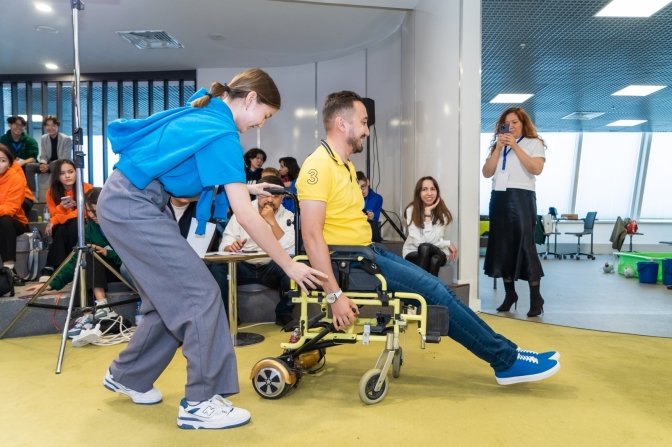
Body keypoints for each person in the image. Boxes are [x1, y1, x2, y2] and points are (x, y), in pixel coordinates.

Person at [96, 68, 325, 430]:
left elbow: (201, 172)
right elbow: (247, 217)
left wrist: (249, 188)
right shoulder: (222, 132)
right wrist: (289, 264)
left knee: (168, 299)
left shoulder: (208, 113)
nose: (260, 124)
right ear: (250, 99)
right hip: (134, 205)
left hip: (131, 200)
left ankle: (129, 375)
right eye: (264, 116)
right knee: (199, 296)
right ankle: (200, 402)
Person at [297, 91, 559, 387]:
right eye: (363, 122)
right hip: (350, 262)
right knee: (435, 293)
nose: (366, 131)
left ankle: (509, 353)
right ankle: (505, 361)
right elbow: (311, 235)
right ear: (342, 123)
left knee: (439, 290)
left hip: (367, 253)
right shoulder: (318, 166)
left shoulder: (343, 165)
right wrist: (333, 296)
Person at [482, 107, 546, 317]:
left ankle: (536, 297)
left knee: (525, 245)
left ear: (523, 123)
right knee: (502, 246)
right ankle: (510, 294)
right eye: (507, 123)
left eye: (515, 122)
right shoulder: (498, 145)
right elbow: (486, 172)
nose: (511, 126)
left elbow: (536, 168)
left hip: (522, 197)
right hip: (499, 197)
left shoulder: (533, 143)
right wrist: (499, 149)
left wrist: (515, 146)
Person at [208, 175, 295, 326]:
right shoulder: (243, 212)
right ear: (257, 194)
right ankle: (228, 319)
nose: (269, 200)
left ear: (282, 198)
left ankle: (284, 314)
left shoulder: (288, 216)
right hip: (244, 265)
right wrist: (230, 247)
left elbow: (290, 248)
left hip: (271, 266)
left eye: (275, 196)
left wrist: (272, 222)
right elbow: (226, 241)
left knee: (292, 268)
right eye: (265, 195)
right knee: (218, 268)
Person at [43, 187, 122, 338]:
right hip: (100, 272)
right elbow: (75, 259)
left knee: (92, 256)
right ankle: (92, 314)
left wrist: (108, 253)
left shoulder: (122, 224)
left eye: (95, 211)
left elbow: (133, 255)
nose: (92, 215)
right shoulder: (89, 228)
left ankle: (98, 310)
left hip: (123, 269)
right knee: (86, 256)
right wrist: (52, 283)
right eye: (89, 211)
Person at [40, 159, 93, 282]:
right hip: (64, 228)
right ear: (57, 176)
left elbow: (85, 212)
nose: (67, 176)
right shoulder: (51, 192)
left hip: (84, 224)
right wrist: (62, 208)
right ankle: (63, 267)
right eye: (62, 173)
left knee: (73, 223)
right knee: (63, 227)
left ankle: (52, 266)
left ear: (76, 172)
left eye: (70, 172)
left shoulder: (87, 187)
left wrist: (57, 219)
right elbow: (54, 213)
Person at [402, 176, 457, 277]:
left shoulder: (442, 213)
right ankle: (431, 286)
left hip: (438, 251)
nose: (429, 193)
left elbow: (430, 241)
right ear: (419, 193)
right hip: (413, 251)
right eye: (424, 189)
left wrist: (427, 214)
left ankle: (420, 286)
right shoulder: (411, 210)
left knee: (429, 251)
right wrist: (447, 243)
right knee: (431, 256)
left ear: (437, 191)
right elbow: (418, 242)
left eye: (433, 189)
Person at [0, 144, 29, 286]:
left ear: (9, 163)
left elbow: (10, 209)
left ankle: (9, 268)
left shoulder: (16, 178)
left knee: (4, 220)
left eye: (3, 160)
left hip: (15, 222)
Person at [24, 116, 73, 193]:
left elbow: (65, 158)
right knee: (29, 166)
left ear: (57, 126)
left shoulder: (66, 139)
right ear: (45, 126)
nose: (50, 128)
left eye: (53, 125)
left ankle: (55, 192)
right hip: (48, 164)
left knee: (53, 165)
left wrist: (48, 166)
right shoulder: (44, 138)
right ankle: (31, 193)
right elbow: (43, 155)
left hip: (61, 164)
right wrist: (42, 164)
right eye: (48, 125)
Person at [356, 171, 383, 242]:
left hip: (369, 225)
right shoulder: (352, 198)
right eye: (359, 188)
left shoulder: (377, 198)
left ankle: (376, 247)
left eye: (363, 186)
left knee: (373, 225)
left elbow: (376, 218)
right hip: (356, 225)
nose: (362, 190)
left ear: (367, 182)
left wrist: (372, 217)